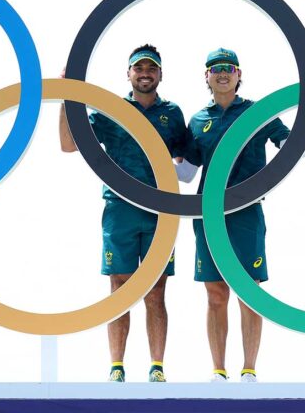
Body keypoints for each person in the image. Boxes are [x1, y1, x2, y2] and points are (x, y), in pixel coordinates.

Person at [177, 47, 305, 383]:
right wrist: (143, 155)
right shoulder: (197, 120)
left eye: (229, 68)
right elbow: (186, 174)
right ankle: (218, 373)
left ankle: (249, 370)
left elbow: (293, 150)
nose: (222, 73)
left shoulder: (257, 112)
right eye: (215, 68)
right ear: (206, 76)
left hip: (247, 212)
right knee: (215, 293)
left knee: (249, 291)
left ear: (239, 75)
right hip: (208, 216)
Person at [60, 44, 189, 383]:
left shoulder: (172, 113)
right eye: (138, 68)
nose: (145, 73)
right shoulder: (111, 109)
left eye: (151, 68)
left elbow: (188, 160)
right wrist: (64, 97)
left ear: (160, 74)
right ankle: (116, 367)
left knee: (157, 288)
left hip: (160, 210)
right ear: (129, 73)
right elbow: (68, 144)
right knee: (119, 286)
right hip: (120, 208)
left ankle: (157, 368)